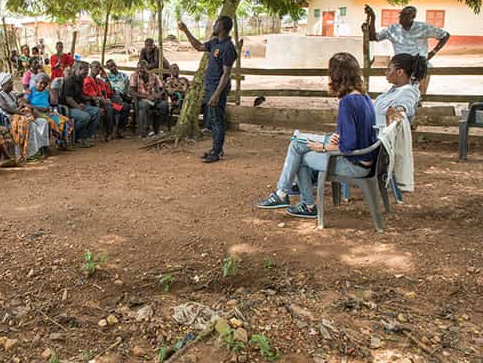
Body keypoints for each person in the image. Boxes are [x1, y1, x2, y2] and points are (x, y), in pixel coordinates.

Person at [256, 53, 378, 218]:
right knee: (297, 144)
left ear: (337, 75)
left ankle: (297, 200)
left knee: (300, 155)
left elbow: (348, 147)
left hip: (355, 164)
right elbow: (358, 133)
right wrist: (339, 137)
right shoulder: (364, 97)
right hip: (364, 159)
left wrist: (324, 147)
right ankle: (287, 195)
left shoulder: (347, 102)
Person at [178, 16, 237, 162]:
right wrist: (186, 31)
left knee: (217, 120)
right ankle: (216, 149)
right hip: (210, 87)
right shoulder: (215, 42)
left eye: (216, 24)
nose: (214, 26)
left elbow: (226, 74)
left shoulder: (228, 48)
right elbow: (198, 46)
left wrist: (216, 95)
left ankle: (216, 152)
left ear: (222, 27)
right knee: (213, 119)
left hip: (218, 89)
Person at [365, 5, 450, 95]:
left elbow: (445, 35)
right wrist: (373, 18)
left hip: (419, 66)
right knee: (400, 94)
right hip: (401, 67)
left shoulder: (423, 27)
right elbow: (373, 37)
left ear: (413, 17)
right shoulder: (393, 29)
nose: (402, 18)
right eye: (401, 15)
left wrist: (433, 52)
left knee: (418, 96)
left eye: (406, 16)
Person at [0, 73, 51, 160]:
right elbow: (6, 109)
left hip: (20, 115)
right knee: (30, 124)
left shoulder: (12, 94)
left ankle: (43, 148)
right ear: (3, 85)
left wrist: (24, 105)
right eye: (9, 83)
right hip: (10, 119)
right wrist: (22, 113)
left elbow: (21, 101)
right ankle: (30, 153)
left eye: (11, 83)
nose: (12, 85)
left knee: (43, 122)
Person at [373, 54, 428, 126]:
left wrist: (398, 109)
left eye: (389, 69)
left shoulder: (409, 91)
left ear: (400, 72)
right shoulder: (393, 90)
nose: (386, 72)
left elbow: (406, 105)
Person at [84, 61, 128, 140]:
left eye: (99, 68)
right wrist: (105, 100)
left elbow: (110, 92)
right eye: (95, 67)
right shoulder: (88, 80)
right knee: (109, 109)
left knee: (126, 107)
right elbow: (93, 95)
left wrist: (106, 78)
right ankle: (108, 133)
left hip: (106, 102)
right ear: (91, 67)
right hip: (95, 103)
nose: (97, 69)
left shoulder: (99, 81)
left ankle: (119, 130)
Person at [27, 73, 73, 146]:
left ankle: (62, 142)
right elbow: (26, 104)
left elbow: (54, 102)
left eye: (45, 83)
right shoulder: (30, 91)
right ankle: (47, 145)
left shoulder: (46, 91)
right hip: (36, 113)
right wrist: (38, 108)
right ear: (36, 82)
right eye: (41, 83)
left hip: (48, 113)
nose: (43, 85)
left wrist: (50, 89)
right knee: (51, 122)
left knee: (64, 121)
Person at [61, 62, 100, 147]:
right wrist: (79, 107)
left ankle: (86, 137)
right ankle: (76, 135)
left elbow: (81, 95)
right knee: (85, 116)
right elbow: (69, 99)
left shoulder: (81, 80)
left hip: (77, 106)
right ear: (78, 69)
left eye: (87, 71)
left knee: (97, 111)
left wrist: (91, 98)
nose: (86, 73)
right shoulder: (69, 80)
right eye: (85, 71)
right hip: (68, 108)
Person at [129, 60, 168, 138]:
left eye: (143, 68)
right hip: (141, 99)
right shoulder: (134, 76)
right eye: (139, 68)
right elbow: (133, 92)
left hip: (153, 98)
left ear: (147, 68)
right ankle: (148, 129)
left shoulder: (154, 76)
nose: (140, 70)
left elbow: (163, 89)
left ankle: (159, 128)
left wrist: (158, 95)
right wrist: (146, 97)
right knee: (145, 105)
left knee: (164, 105)